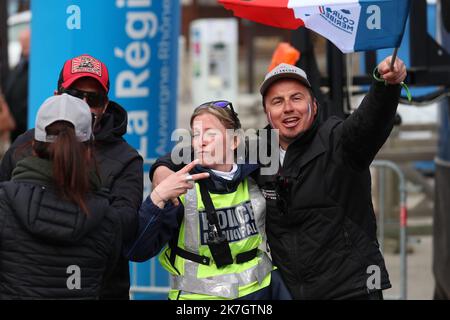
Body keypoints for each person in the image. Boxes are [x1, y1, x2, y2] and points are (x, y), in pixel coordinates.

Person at [151, 55, 407, 299]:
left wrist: (386, 84)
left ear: (313, 105)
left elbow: (369, 122)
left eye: (296, 98)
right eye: (277, 101)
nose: (287, 108)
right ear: (267, 113)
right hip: (293, 293)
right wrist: (162, 169)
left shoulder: (339, 141)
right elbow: (200, 148)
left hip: (351, 290)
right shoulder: (259, 149)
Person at [0, 54, 143, 300]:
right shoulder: (23, 143)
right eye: (75, 96)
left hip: (98, 288)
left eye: (94, 98)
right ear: (58, 96)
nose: (84, 104)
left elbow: (123, 230)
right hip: (24, 283)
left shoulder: (126, 159)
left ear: (106, 105)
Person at [127, 101, 292, 300]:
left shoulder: (256, 177)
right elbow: (137, 250)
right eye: (196, 134)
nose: (200, 142)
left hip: (260, 292)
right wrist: (158, 197)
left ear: (233, 141)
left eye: (210, 133)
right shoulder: (181, 188)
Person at [3, 28, 30, 142]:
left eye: (26, 42)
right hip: (13, 126)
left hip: (24, 124)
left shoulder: (34, 67)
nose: (23, 45)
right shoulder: (19, 64)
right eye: (21, 42)